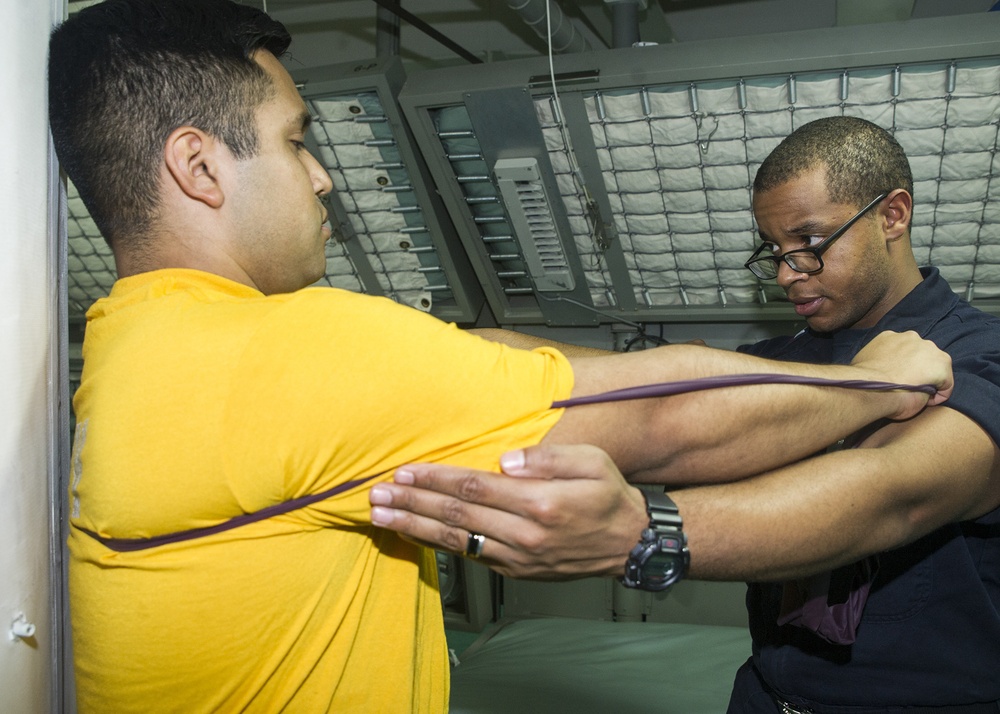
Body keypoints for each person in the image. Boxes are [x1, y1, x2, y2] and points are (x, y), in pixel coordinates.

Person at [48, 2, 954, 709]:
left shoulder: (128, 348)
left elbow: (465, 357)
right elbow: (671, 415)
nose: (321, 174)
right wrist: (882, 380)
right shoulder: (289, 349)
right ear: (199, 168)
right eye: (296, 140)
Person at [371, 116, 1000, 712]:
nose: (787, 272)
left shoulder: (980, 357)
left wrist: (642, 534)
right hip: (767, 694)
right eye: (773, 249)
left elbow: (895, 494)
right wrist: (425, 350)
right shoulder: (782, 361)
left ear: (893, 214)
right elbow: (635, 393)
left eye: (809, 242)